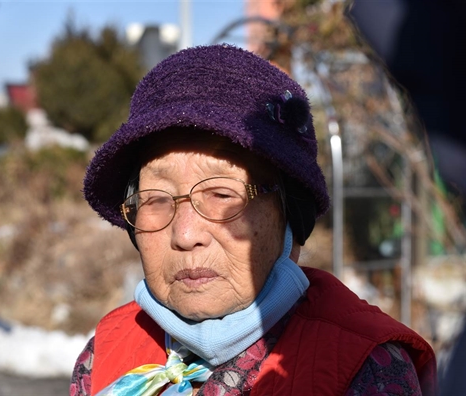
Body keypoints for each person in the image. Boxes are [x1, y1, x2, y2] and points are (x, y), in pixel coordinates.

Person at [72, 44, 437, 396]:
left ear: (289, 214)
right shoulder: (104, 353)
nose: (184, 234)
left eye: (221, 195)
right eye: (155, 199)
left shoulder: (363, 369)